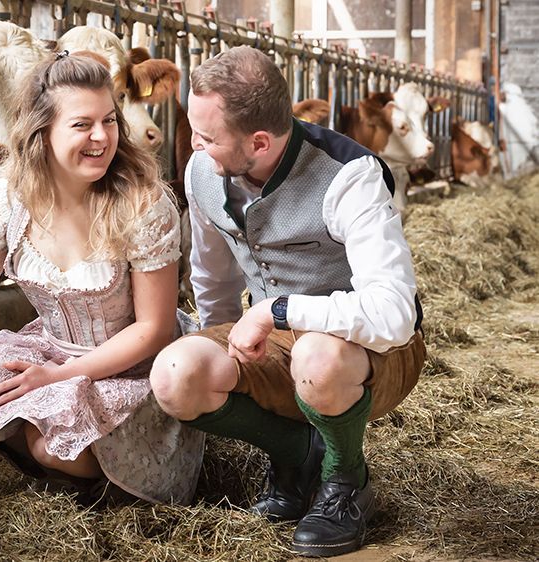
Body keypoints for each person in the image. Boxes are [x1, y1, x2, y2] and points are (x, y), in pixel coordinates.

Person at [149, 46, 426, 557]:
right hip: (275, 340)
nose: (192, 145)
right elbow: (211, 275)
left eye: (207, 137)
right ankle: (297, 456)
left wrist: (278, 312)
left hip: (369, 350)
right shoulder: (200, 171)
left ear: (258, 141)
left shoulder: (349, 175)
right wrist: (226, 352)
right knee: (175, 375)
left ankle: (345, 480)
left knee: (317, 358)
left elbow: (394, 315)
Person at [0, 53, 204, 505]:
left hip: (133, 365)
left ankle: (84, 478)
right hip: (52, 348)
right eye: (82, 125)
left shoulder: (142, 202)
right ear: (41, 132)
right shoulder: (8, 200)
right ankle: (62, 473)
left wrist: (60, 376)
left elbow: (153, 329)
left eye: (109, 120)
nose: (102, 137)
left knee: (52, 448)